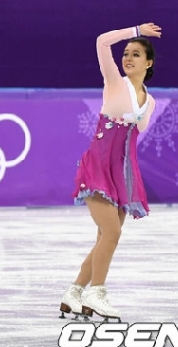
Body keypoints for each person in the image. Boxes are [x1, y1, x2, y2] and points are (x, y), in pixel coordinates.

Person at [60, 23, 162, 321]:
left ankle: (75, 292)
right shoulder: (115, 83)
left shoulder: (150, 102)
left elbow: (133, 138)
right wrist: (136, 30)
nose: (128, 57)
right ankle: (96, 293)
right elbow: (102, 42)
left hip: (123, 174)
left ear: (149, 62)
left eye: (136, 54)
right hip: (97, 167)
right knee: (113, 233)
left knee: (105, 237)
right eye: (127, 53)